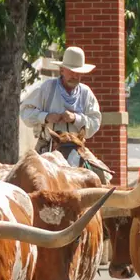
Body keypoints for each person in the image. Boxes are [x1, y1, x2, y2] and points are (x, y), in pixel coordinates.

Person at [19, 46, 105, 181]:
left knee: (102, 176)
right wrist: (46, 116)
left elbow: (95, 122)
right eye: (71, 71)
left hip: (77, 148)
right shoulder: (47, 88)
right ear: (62, 70)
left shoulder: (86, 93)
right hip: (47, 146)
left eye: (78, 72)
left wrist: (75, 118)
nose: (75, 76)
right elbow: (25, 112)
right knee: (28, 179)